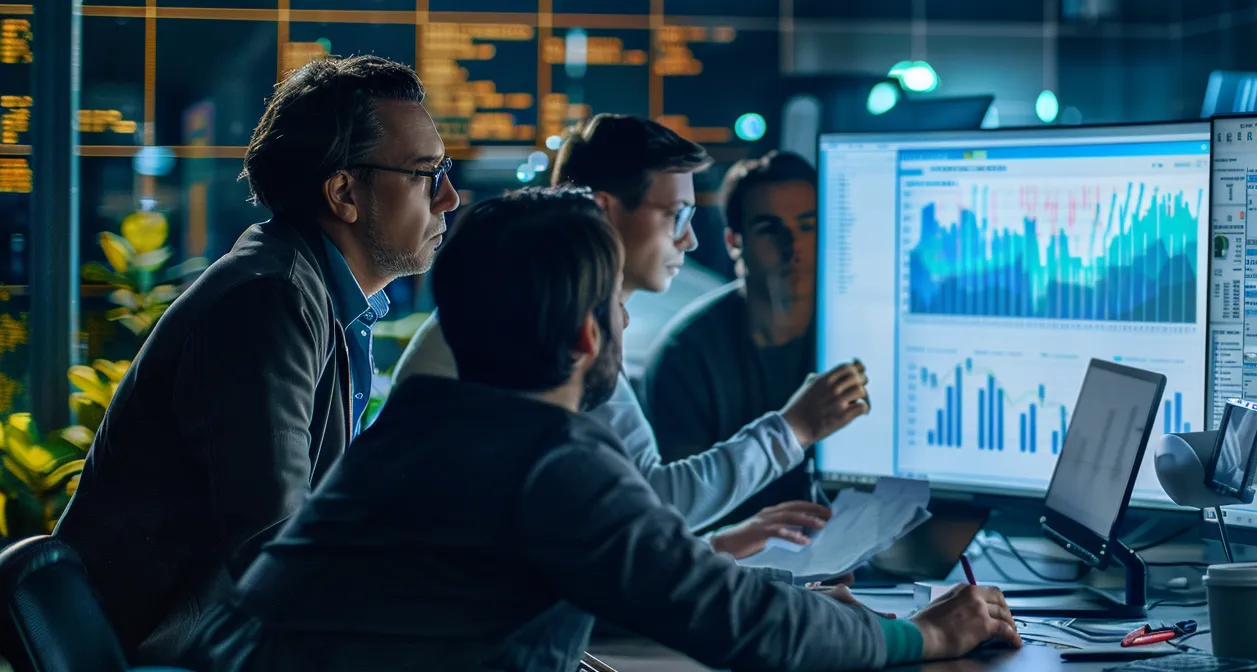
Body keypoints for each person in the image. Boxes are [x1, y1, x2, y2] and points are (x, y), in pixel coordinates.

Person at [196, 187, 1020, 671]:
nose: (627, 320)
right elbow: (746, 631)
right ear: (591, 336)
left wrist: (791, 594)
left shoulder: (419, 426)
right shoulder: (549, 463)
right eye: (619, 306)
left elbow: (644, 583)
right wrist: (921, 635)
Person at [53, 55, 458, 663]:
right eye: (427, 173)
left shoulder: (312, 293)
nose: (449, 197)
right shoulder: (270, 300)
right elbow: (276, 543)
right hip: (168, 652)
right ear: (344, 192)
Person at [391, 115, 866, 555]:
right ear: (602, 209)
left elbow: (601, 530)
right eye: (677, 214)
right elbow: (647, 501)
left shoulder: (532, 302)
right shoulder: (544, 319)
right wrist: (794, 428)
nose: (690, 239)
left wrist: (714, 550)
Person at [641, 151, 822, 529]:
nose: (793, 246)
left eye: (807, 226)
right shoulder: (686, 354)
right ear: (733, 242)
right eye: (770, 228)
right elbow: (681, 507)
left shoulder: (860, 335)